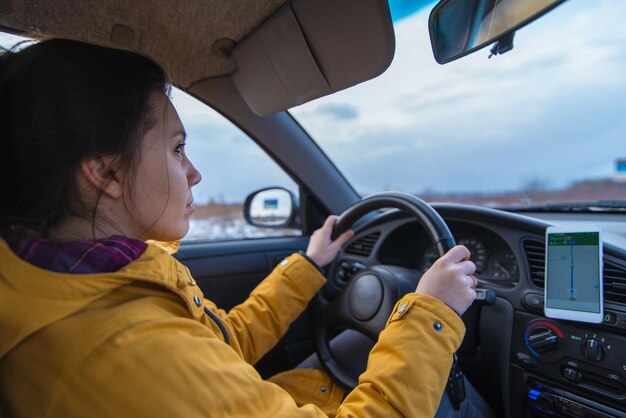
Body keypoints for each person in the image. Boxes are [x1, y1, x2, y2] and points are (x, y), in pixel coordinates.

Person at [0, 39, 491, 417]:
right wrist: (431, 313)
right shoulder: (126, 348)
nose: (194, 173)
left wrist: (309, 264)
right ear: (105, 174)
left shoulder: (80, 285)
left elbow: (222, 341)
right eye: (176, 149)